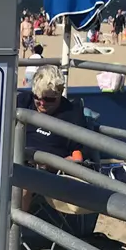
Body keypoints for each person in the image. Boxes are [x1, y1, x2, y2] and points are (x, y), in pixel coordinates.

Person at [16, 65, 85, 212]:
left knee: (24, 180)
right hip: (16, 158)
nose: (41, 103)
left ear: (59, 93)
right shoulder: (23, 102)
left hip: (43, 171)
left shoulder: (72, 115)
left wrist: (50, 164)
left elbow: (77, 158)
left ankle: (11, 230)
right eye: (37, 98)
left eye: (48, 99)